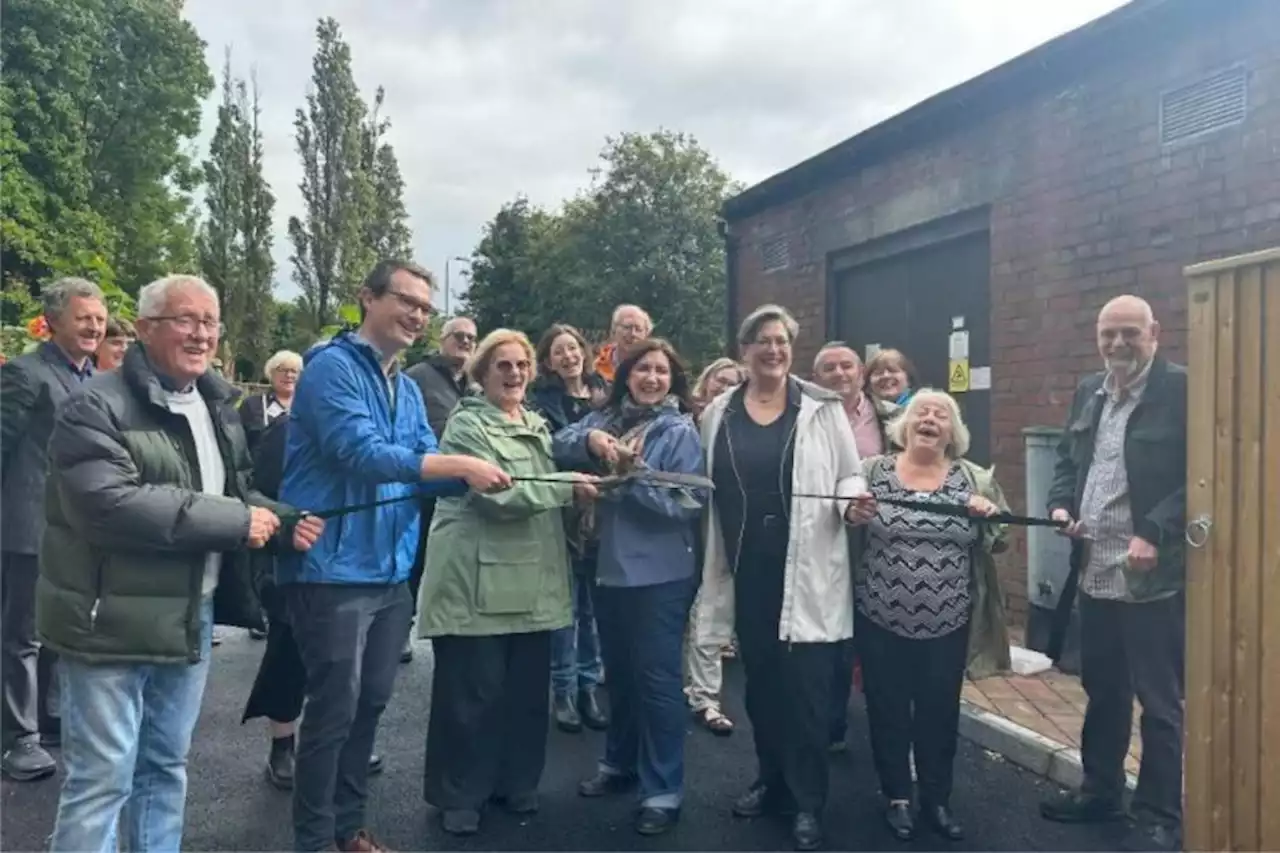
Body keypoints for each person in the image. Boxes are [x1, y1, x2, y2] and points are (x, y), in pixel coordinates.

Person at [36, 274, 325, 852]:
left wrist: (282, 520)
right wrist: (238, 524)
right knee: (101, 781)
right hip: (107, 622)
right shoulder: (94, 405)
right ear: (145, 330)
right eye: (184, 320)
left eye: (210, 322)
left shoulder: (216, 403)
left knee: (165, 768)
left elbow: (232, 492)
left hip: (190, 614)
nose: (201, 334)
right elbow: (108, 506)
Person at [277, 260, 510, 853]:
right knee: (333, 712)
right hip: (331, 571)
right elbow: (362, 453)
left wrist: (483, 476)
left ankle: (347, 829)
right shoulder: (330, 368)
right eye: (406, 301)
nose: (417, 316)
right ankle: (313, 842)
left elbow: (422, 464)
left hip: (389, 572)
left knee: (370, 704)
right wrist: (458, 466)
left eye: (425, 309)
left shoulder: (404, 387)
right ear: (367, 298)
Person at [693, 304, 866, 852]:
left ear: (791, 350)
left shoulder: (820, 407)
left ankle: (807, 802)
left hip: (809, 572)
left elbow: (849, 473)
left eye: (782, 342)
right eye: (762, 341)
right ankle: (770, 781)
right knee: (762, 690)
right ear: (744, 351)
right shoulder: (719, 411)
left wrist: (852, 503)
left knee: (808, 696)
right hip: (749, 574)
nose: (773, 350)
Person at [418, 329, 597, 837]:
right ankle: (460, 795)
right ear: (482, 373)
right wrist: (571, 487)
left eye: (521, 365)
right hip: (476, 582)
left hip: (534, 580)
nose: (515, 374)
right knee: (470, 696)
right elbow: (501, 494)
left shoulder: (538, 425)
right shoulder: (466, 428)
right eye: (503, 366)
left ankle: (517, 782)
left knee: (523, 694)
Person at [1039, 295, 1187, 853]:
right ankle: (1101, 789)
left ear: (1155, 332)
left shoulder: (1181, 390)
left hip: (1155, 575)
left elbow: (1206, 472)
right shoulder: (1089, 391)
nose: (1119, 344)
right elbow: (1067, 462)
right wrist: (1060, 506)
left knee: (1160, 701)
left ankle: (1159, 815)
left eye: (1130, 333)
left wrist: (1156, 529)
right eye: (1109, 335)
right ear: (1097, 338)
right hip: (1096, 569)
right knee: (1103, 689)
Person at [556, 339, 707, 837]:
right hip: (604, 568)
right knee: (617, 675)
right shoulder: (603, 420)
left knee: (658, 683)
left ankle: (662, 789)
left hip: (658, 575)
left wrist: (627, 476)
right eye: (642, 368)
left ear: (673, 380)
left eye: (662, 371)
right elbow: (559, 442)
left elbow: (682, 503)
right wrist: (593, 446)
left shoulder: (679, 430)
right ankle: (619, 765)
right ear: (626, 376)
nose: (652, 378)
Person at [845, 389, 1011, 843]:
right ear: (904, 423)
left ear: (953, 431)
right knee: (887, 709)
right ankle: (897, 796)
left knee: (939, 713)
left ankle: (937, 799)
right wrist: (851, 513)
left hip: (949, 623)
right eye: (922, 412)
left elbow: (1001, 541)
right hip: (879, 617)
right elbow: (841, 521)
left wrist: (988, 516)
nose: (930, 419)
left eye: (941, 414)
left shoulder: (973, 479)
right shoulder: (871, 471)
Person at [1, 277, 107, 782]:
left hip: (74, 529)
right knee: (21, 635)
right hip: (26, 526)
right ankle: (18, 736)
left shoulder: (94, 378)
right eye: (84, 317)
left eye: (100, 317)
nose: (95, 326)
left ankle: (50, 716)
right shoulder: (26, 374)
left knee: (58, 629)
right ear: (55, 320)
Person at [811, 341, 897, 752]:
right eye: (829, 368)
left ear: (861, 373)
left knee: (876, 627)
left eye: (847, 366)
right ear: (817, 378)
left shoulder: (890, 417)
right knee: (837, 629)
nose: (840, 374)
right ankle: (832, 722)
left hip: (880, 534)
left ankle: (886, 726)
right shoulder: (810, 417)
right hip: (826, 531)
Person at [528, 323, 609, 733]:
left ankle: (588, 685)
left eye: (573, 348)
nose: (568, 356)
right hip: (561, 510)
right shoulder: (539, 401)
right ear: (547, 361)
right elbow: (547, 447)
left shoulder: (606, 393)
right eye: (558, 351)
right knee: (567, 606)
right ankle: (562, 688)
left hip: (602, 511)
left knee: (592, 607)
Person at [403, 315, 478, 662]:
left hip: (462, 487)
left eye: (471, 338)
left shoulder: (475, 385)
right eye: (458, 336)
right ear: (442, 340)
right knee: (415, 560)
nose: (465, 342)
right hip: (425, 483)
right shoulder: (418, 376)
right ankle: (401, 628)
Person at [683, 357, 746, 736]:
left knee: (706, 610)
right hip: (679, 527)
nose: (726, 389)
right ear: (705, 385)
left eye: (734, 384)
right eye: (720, 382)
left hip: (722, 529)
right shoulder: (685, 423)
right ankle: (688, 686)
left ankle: (704, 697)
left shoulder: (746, 424)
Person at [241, 350, 302, 455]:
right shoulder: (252, 405)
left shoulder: (308, 406)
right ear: (271, 373)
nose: (289, 375)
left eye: (294, 371)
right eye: (283, 370)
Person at [593, 304, 651, 384]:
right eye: (627, 327)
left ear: (646, 335)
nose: (633, 334)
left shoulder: (652, 368)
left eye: (638, 329)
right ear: (614, 330)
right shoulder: (596, 367)